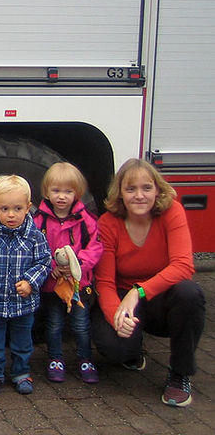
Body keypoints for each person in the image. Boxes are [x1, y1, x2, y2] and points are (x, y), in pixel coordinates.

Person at [92, 158, 205, 407]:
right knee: (114, 348)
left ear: (158, 189)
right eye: (131, 189)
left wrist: (139, 292)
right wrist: (116, 318)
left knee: (190, 293)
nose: (139, 196)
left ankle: (179, 374)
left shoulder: (172, 212)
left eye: (146, 188)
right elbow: (105, 283)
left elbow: (184, 266)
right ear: (120, 194)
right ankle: (133, 349)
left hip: (161, 296)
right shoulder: (108, 223)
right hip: (126, 298)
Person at [0, 175, 51, 397]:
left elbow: (44, 262)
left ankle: (21, 373)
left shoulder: (35, 237)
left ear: (28, 207)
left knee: (23, 341)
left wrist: (31, 282)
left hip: (23, 303)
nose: (11, 214)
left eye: (17, 208)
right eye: (5, 208)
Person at [32, 162, 101, 384]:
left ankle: (85, 359)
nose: (62, 197)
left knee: (81, 324)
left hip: (79, 284)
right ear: (46, 192)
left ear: (77, 193)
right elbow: (35, 249)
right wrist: (51, 267)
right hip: (52, 285)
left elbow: (96, 246)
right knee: (53, 324)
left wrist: (78, 264)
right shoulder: (39, 220)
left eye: (68, 192)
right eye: (56, 191)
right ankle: (55, 359)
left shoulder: (85, 219)